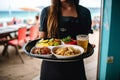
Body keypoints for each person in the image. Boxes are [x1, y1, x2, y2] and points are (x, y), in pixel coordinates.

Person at [39, 0, 93, 80]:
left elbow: (84, 38)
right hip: (51, 66)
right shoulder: (47, 11)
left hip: (75, 67)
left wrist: (88, 46)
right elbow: (42, 40)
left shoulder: (84, 12)